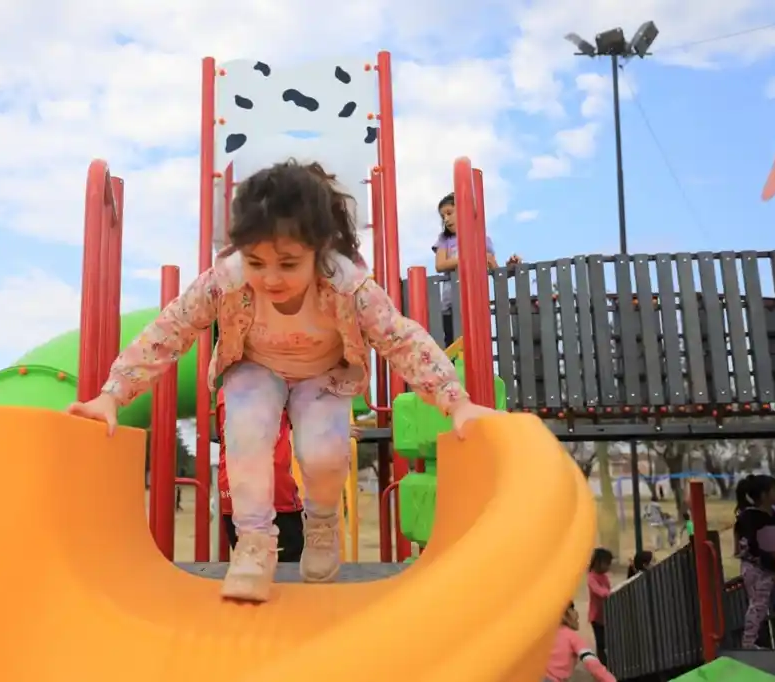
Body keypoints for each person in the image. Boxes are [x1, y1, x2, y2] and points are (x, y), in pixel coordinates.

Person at [67, 159, 498, 603]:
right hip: (256, 366)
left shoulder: (348, 287)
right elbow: (170, 329)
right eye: (256, 261)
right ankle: (254, 543)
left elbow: (402, 339)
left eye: (289, 264)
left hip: (324, 374)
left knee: (325, 453)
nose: (270, 278)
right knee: (246, 432)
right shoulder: (226, 281)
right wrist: (113, 394)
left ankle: (322, 523)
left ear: (319, 250)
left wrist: (456, 402)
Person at [215, 386, 304, 562]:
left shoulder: (224, 393)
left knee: (249, 562)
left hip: (233, 493)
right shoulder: (282, 387)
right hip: (275, 495)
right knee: (285, 569)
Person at [431, 192, 519, 346]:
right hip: (451, 305)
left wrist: (509, 268)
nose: (446, 219)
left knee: (477, 343)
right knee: (454, 344)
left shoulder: (481, 238)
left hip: (476, 302)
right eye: (443, 216)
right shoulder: (445, 239)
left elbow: (494, 270)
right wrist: (470, 258)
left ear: (464, 212)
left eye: (449, 213)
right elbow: (440, 265)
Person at [734, 474, 775, 649]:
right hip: (756, 568)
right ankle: (749, 642)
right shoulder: (749, 517)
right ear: (764, 495)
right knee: (759, 604)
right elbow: (748, 545)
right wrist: (769, 555)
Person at [544, 601, 616, 682]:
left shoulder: (545, 636)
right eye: (573, 609)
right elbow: (591, 662)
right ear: (567, 614)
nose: (577, 613)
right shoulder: (571, 637)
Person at [587, 547, 614, 665]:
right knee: (601, 643)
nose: (608, 567)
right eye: (606, 564)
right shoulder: (591, 577)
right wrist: (610, 594)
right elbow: (598, 591)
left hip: (606, 615)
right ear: (598, 562)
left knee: (608, 641)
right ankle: (601, 665)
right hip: (597, 617)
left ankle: (608, 663)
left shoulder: (604, 576)